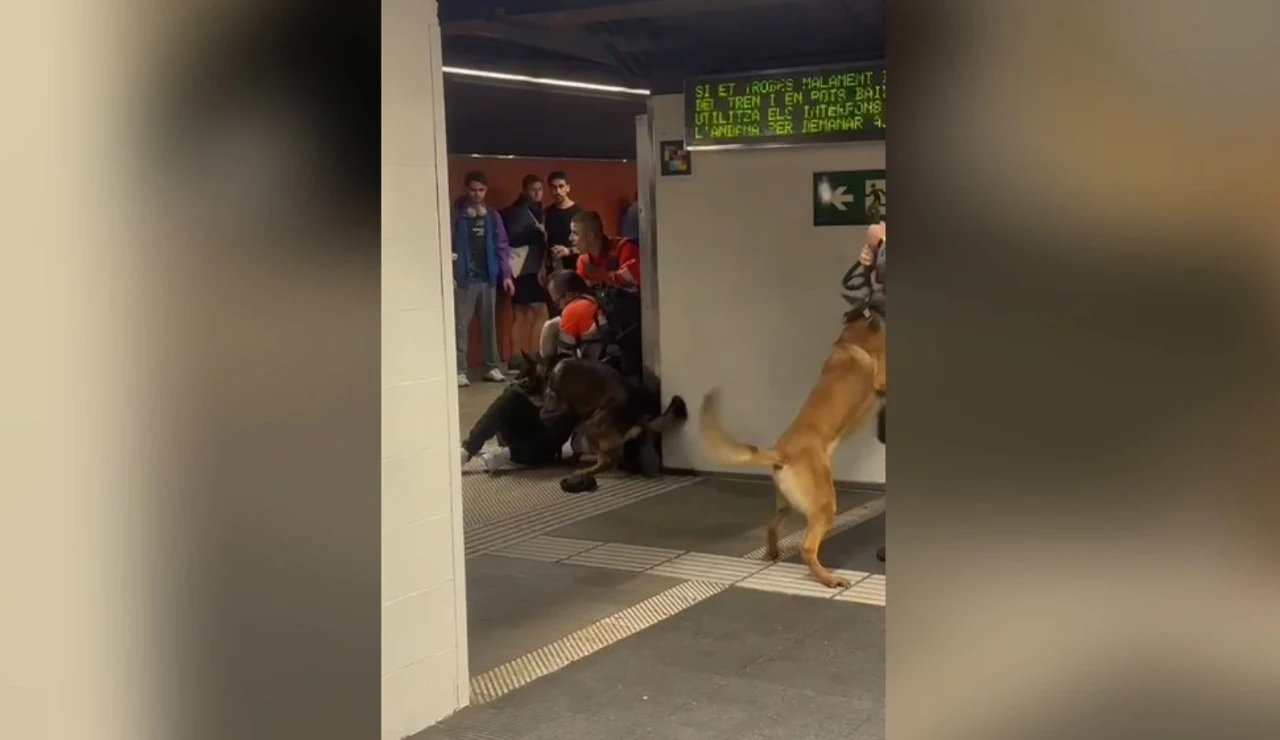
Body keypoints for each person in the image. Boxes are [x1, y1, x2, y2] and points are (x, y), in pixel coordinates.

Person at [452, 170, 514, 387]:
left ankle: (492, 367)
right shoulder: (456, 214)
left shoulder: (492, 216)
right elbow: (447, 243)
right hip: (464, 279)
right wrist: (451, 273)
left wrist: (506, 275)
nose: (477, 194)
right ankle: (460, 369)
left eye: (481, 190)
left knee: (489, 325)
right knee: (460, 325)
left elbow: (502, 245)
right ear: (466, 190)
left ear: (486, 191)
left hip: (488, 277)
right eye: (473, 190)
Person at [502, 174, 550, 366]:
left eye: (540, 189)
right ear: (524, 191)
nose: (537, 193)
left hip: (520, 269)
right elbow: (513, 238)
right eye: (533, 189)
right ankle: (533, 355)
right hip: (528, 268)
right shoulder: (522, 211)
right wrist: (537, 232)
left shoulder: (530, 209)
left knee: (520, 314)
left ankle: (518, 357)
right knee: (539, 312)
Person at [544, 171, 584, 274]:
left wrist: (568, 251)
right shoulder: (547, 212)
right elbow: (545, 242)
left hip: (574, 269)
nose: (558, 191)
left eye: (561, 186)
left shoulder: (579, 213)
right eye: (554, 187)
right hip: (553, 270)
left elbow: (588, 246)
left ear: (568, 188)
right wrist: (542, 267)